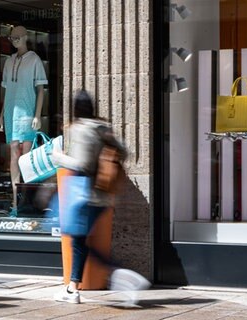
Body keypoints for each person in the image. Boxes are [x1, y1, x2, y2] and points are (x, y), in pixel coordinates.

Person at [51, 90, 150, 305]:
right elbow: (125, 151)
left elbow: (83, 165)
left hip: (84, 194)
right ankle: (73, 288)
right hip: (103, 197)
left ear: (75, 108)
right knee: (80, 240)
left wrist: (59, 158)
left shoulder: (81, 130)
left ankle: (118, 275)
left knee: (77, 239)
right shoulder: (102, 127)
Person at [0, 25, 48, 217]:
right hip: (11, 113)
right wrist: (2, 114)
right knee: (13, 157)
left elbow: (40, 89)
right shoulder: (8, 61)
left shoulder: (34, 59)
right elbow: (6, 90)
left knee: (25, 158)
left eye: (18, 37)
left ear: (26, 37)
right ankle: (15, 201)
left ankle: (26, 200)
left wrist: (37, 115)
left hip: (27, 113)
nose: (15, 41)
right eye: (12, 38)